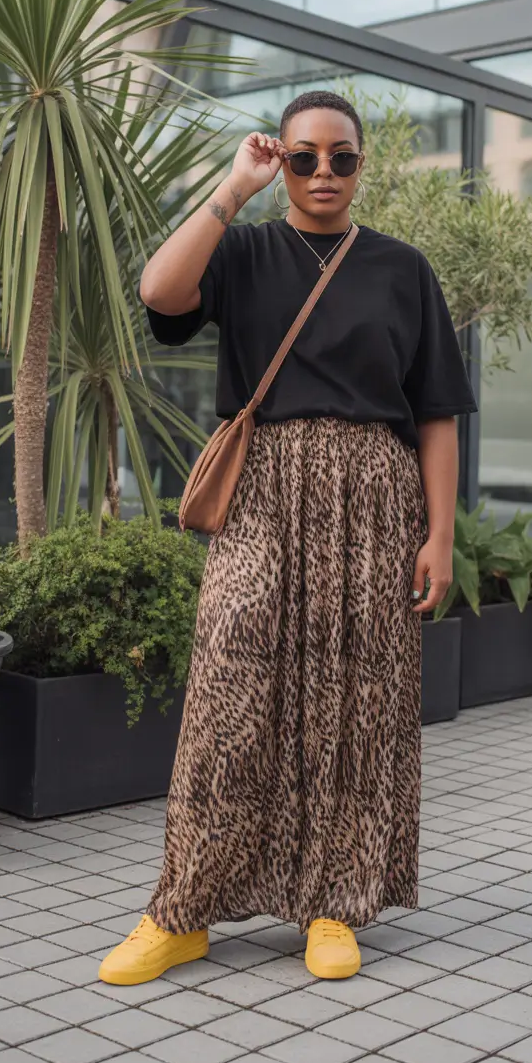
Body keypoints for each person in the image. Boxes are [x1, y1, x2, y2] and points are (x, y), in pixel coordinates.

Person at [98, 89, 477, 986]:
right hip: (263, 488)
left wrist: (441, 535)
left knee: (353, 699)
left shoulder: (401, 268)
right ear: (283, 161)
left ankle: (334, 903)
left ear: (362, 164)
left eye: (340, 158)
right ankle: (182, 908)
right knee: (229, 679)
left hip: (372, 499)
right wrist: (234, 186)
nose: (321, 174)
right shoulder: (246, 250)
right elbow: (158, 292)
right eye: (303, 157)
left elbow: (437, 416)